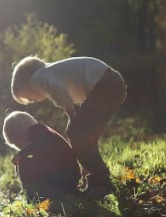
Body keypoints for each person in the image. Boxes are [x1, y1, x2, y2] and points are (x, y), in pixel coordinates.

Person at [10, 56, 127, 199]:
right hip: (112, 84)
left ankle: (101, 182)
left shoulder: (37, 78)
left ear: (27, 78)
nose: (30, 101)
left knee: (75, 132)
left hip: (105, 85)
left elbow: (60, 91)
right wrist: (84, 156)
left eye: (25, 95)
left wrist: (72, 115)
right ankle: (95, 178)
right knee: (84, 137)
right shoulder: (52, 72)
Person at [2, 111, 82, 202]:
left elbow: (42, 143)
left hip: (66, 178)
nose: (19, 147)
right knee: (21, 163)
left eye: (17, 143)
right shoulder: (42, 135)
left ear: (20, 134)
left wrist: (21, 154)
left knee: (23, 162)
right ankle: (41, 194)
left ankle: (33, 199)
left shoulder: (38, 130)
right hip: (63, 177)